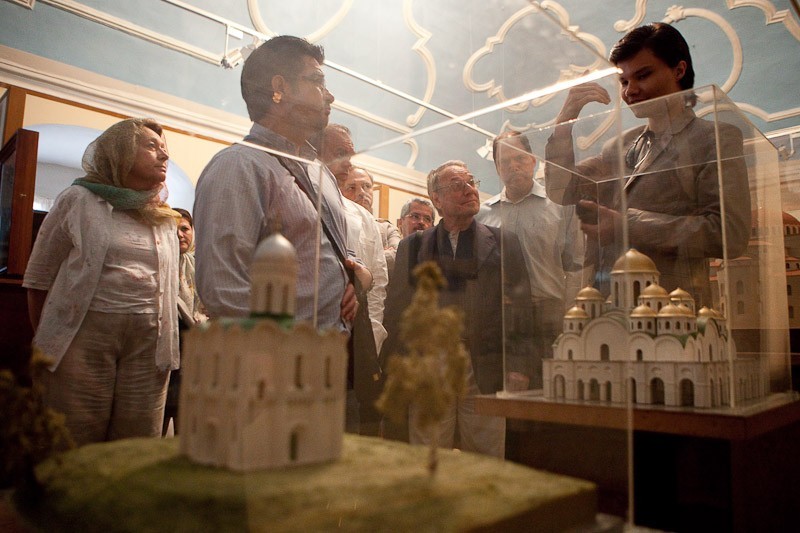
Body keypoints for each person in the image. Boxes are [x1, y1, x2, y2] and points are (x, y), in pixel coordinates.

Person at [193, 36, 371, 434]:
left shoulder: (320, 173)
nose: (330, 95)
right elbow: (223, 289)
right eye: (317, 81)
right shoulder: (238, 167)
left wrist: (355, 277)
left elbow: (337, 250)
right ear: (280, 88)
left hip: (332, 367)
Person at [545, 22, 750, 306]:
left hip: (672, 309)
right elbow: (562, 191)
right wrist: (563, 123)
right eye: (624, 82)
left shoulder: (714, 137)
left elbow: (730, 234)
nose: (630, 91)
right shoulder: (618, 146)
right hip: (605, 306)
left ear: (679, 70)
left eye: (642, 76)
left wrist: (626, 224)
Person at [23, 118, 180, 446]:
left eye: (164, 148)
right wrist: (51, 341)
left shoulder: (165, 217)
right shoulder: (77, 199)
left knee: (136, 444)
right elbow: (38, 277)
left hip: (149, 347)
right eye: (151, 146)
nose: (164, 155)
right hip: (81, 342)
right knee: (74, 439)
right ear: (120, 151)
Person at [381, 160, 532, 458]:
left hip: (486, 365)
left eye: (471, 182)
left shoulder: (504, 242)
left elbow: (521, 308)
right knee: (428, 454)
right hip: (429, 366)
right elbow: (399, 311)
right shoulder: (412, 246)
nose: (469, 190)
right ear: (436, 198)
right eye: (457, 185)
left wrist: (520, 364)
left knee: (487, 455)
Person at [476, 131, 584, 389]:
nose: (513, 166)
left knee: (553, 393)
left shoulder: (560, 207)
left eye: (519, 158)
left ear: (533, 160)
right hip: (502, 320)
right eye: (504, 162)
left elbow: (576, 267)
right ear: (497, 167)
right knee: (504, 397)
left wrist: (572, 317)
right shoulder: (483, 216)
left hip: (549, 317)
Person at [163, 207, 207, 435]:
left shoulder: (199, 266)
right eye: (173, 230)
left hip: (192, 349)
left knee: (186, 413)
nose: (180, 235)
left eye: (185, 229)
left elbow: (204, 304)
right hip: (165, 345)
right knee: (160, 414)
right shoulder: (160, 264)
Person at [343, 165, 402, 273]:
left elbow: (398, 257)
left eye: (366, 186)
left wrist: (357, 259)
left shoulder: (387, 228)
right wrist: (380, 255)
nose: (361, 192)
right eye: (352, 187)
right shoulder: (338, 224)